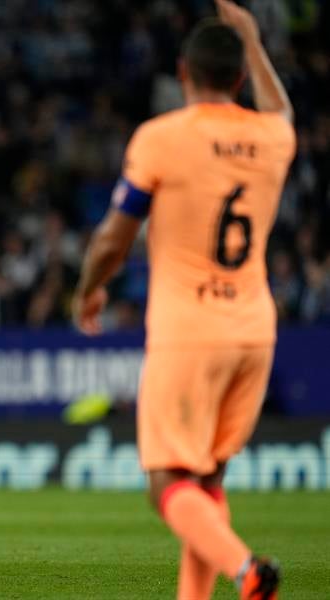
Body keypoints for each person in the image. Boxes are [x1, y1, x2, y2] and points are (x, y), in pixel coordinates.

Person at [71, 3, 294, 599]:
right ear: (241, 76)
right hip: (254, 328)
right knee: (205, 479)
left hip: (190, 328)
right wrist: (251, 38)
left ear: (182, 73)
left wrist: (88, 289)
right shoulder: (272, 137)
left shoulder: (162, 138)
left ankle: (246, 570)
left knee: (165, 482)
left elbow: (115, 237)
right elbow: (282, 109)